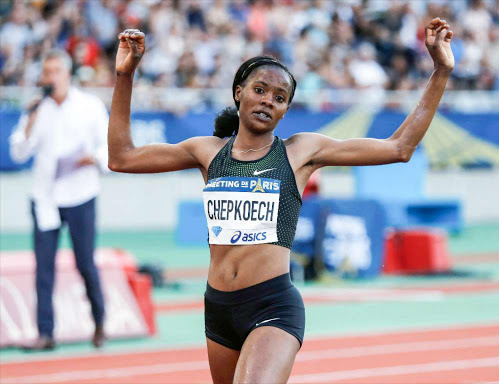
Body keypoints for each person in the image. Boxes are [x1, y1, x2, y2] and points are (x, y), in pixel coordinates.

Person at [108, 18, 453, 383]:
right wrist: (125, 76)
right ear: (239, 92)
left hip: (272, 304)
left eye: (279, 98)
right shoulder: (207, 152)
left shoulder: (299, 152)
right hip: (218, 308)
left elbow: (398, 148)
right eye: (260, 90)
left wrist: (441, 71)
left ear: (286, 110)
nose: (267, 101)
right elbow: (121, 158)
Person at [9, 49, 109, 350]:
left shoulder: (89, 106)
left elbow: (108, 149)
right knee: (43, 268)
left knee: (85, 263)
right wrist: (29, 122)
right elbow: (18, 153)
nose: (49, 77)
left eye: (55, 71)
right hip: (45, 198)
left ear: (67, 74)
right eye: (46, 72)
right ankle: (45, 333)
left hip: (80, 195)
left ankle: (100, 321)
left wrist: (92, 158)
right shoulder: (37, 109)